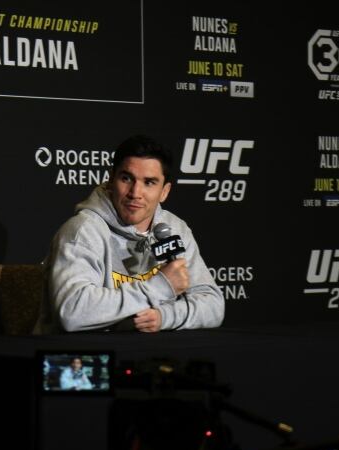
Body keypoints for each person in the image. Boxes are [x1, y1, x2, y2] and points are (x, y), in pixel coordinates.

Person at [33, 134, 225, 333]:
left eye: (149, 182)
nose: (135, 192)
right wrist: (161, 287)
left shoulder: (174, 229)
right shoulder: (83, 231)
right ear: (111, 179)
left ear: (164, 191)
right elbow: (72, 311)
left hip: (147, 353)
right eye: (126, 178)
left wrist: (164, 317)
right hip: (83, 355)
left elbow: (213, 305)